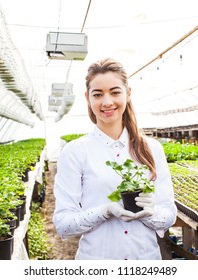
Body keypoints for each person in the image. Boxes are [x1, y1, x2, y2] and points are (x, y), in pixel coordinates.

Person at [53, 58, 177, 260]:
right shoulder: (75, 152)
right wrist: (104, 211)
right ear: (87, 97)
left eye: (115, 92)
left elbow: (169, 216)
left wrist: (151, 212)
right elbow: (63, 225)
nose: (107, 102)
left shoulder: (152, 149)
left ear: (128, 94)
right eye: (98, 94)